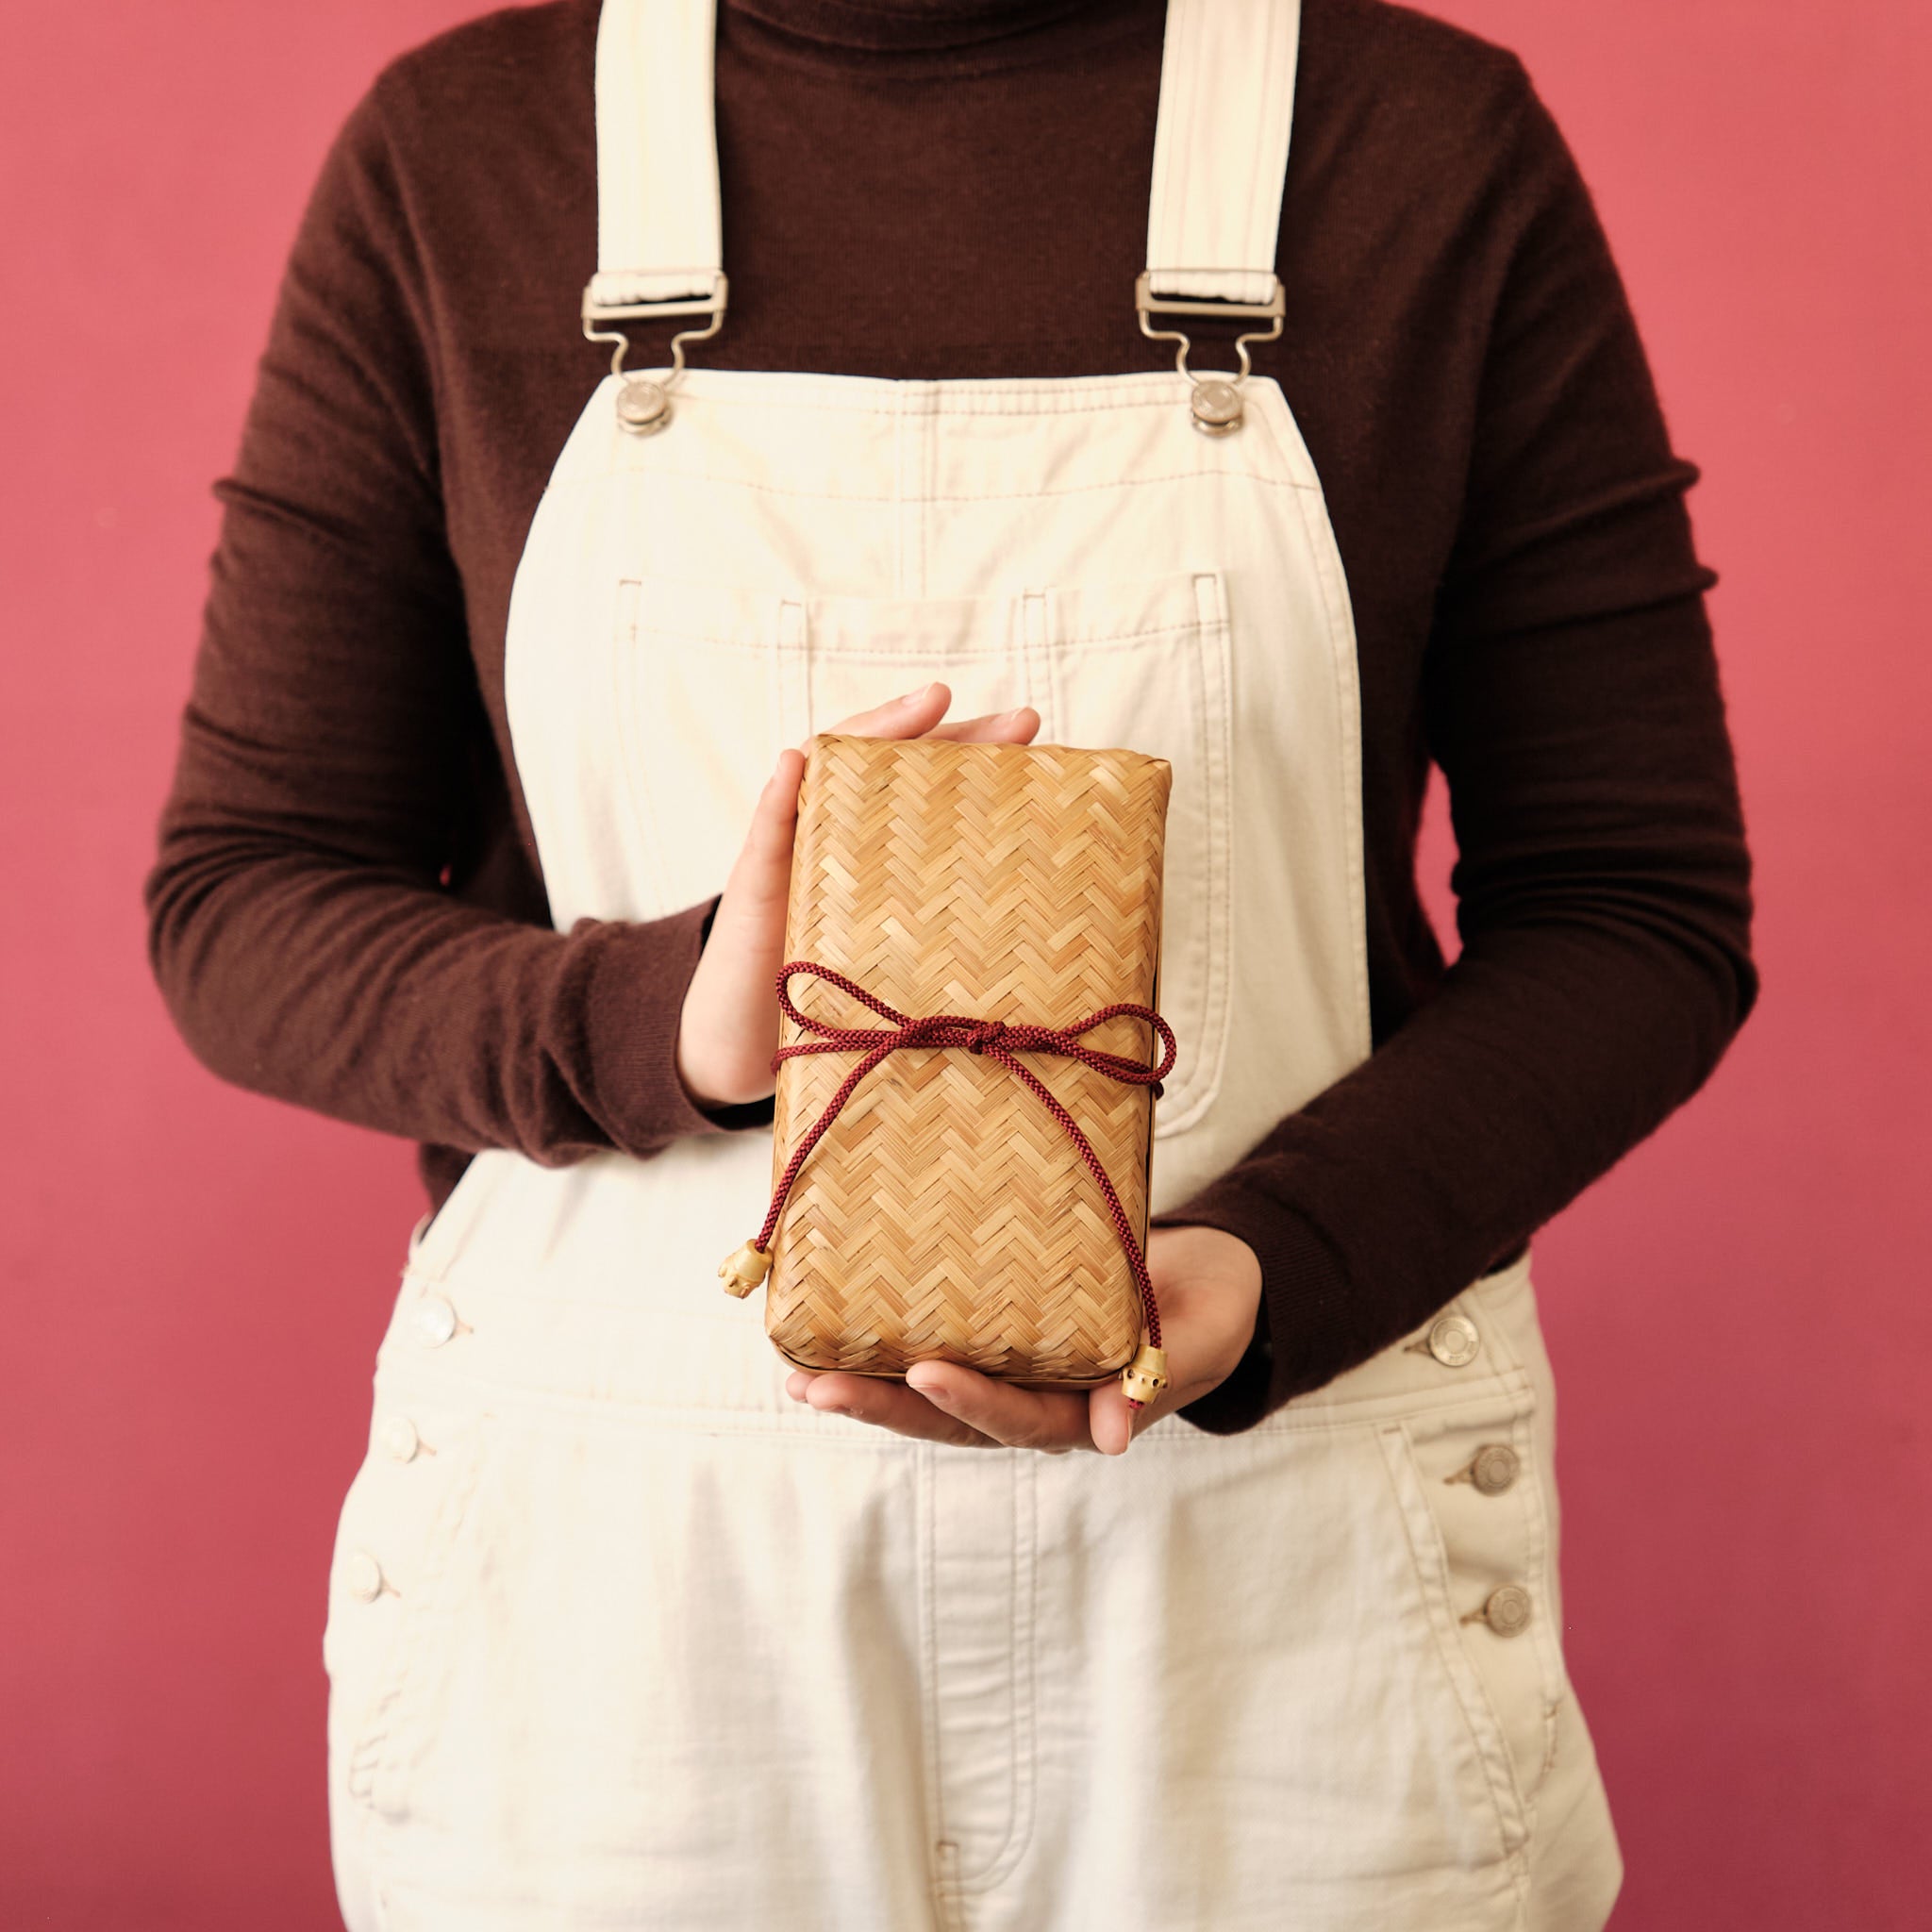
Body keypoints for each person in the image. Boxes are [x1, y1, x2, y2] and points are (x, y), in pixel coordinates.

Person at [143, 0, 1756, 1925]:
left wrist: (1266, 1268)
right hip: (626, 1627)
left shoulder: (1410, 141)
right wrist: (674, 1013)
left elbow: (1633, 906)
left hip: (1280, 1586)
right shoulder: (469, 154)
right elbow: (243, 893)